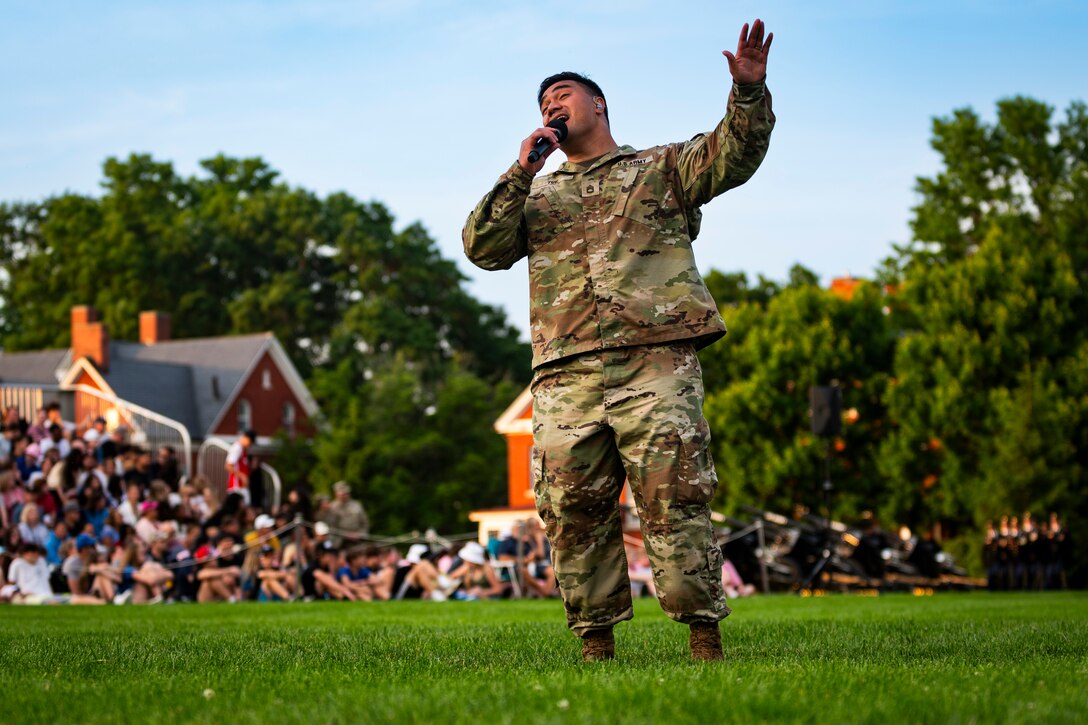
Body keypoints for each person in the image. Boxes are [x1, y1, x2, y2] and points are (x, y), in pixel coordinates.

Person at [462, 19, 775, 661]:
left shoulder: (656, 169)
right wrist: (521, 169)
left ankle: (702, 636)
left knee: (674, 493)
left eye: (565, 93)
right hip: (566, 373)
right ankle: (595, 643)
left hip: (654, 362)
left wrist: (747, 91)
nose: (554, 102)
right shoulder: (535, 193)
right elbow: (482, 248)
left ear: (598, 104)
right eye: (544, 100)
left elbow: (732, 156)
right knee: (570, 507)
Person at [326, 481, 369, 545]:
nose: (345, 495)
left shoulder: (356, 505)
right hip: (340, 543)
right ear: (336, 494)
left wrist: (360, 534)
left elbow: (365, 523)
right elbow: (331, 528)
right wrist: (344, 535)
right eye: (342, 494)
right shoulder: (332, 508)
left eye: (347, 493)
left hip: (358, 540)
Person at [225, 429, 255, 505]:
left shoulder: (242, 449)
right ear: (247, 439)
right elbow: (228, 465)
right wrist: (242, 476)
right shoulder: (237, 447)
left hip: (241, 487)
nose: (250, 445)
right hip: (236, 487)